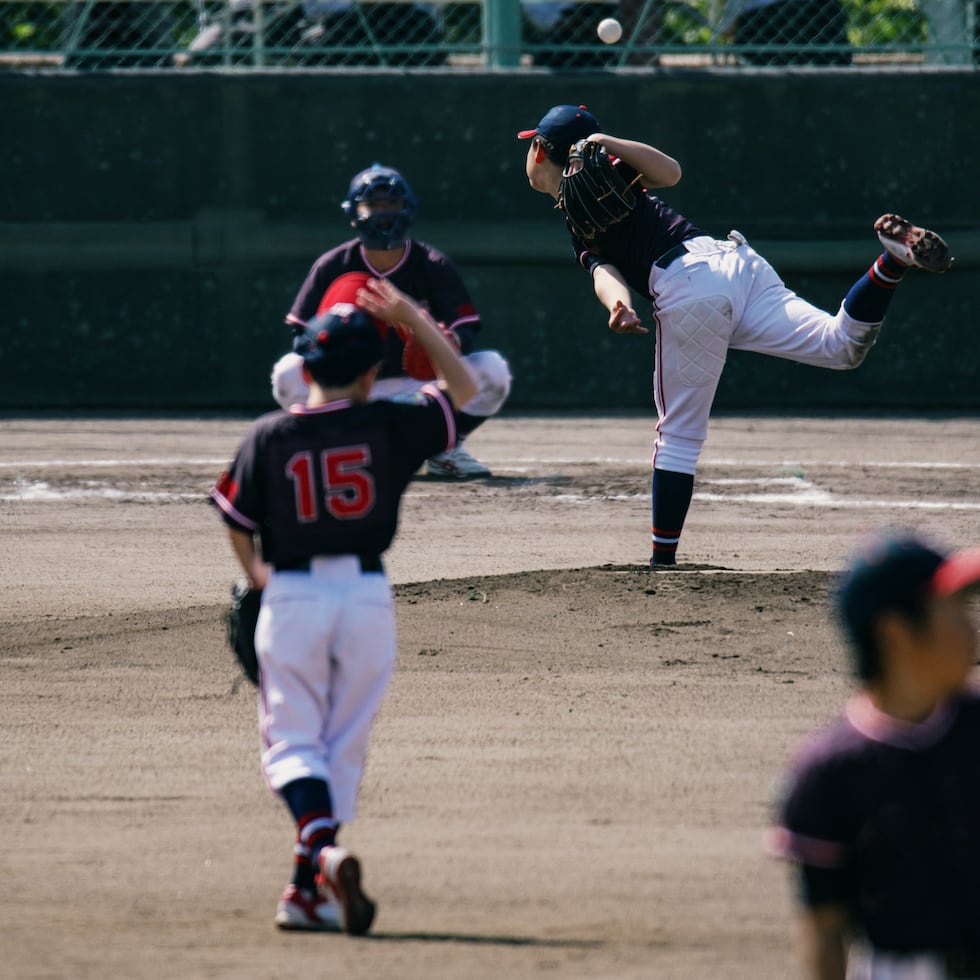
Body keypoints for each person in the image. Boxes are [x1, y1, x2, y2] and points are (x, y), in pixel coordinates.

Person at [518, 104, 954, 567]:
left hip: (690, 287)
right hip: (735, 264)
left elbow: (670, 172)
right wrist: (618, 304)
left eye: (530, 145)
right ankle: (892, 261)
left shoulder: (614, 169)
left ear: (540, 150)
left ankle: (662, 565)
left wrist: (605, 144)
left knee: (678, 435)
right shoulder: (579, 215)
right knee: (841, 346)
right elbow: (604, 271)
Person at [210, 273, 478, 933]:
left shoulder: (269, 434)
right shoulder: (390, 423)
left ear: (304, 370)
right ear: (369, 375)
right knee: (341, 744)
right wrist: (414, 317)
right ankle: (305, 892)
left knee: (293, 743)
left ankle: (320, 850)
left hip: (294, 596)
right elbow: (466, 390)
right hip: (365, 599)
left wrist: (258, 576)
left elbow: (236, 519)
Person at [767, 530, 980, 979]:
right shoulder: (830, 772)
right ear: (895, 634)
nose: (970, 631)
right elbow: (825, 930)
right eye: (954, 612)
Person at [272, 162, 511, 479]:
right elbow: (300, 336)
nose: (383, 213)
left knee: (492, 369)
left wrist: (445, 342)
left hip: (421, 387)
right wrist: (334, 352)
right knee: (287, 372)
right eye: (372, 204)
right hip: (352, 389)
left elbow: (465, 330)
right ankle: (336, 444)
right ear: (353, 212)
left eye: (391, 203)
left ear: (408, 209)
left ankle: (446, 448)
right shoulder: (332, 265)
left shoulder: (432, 264)